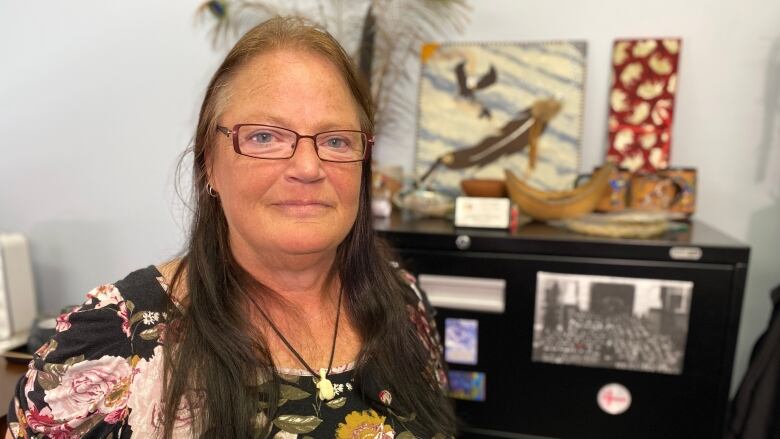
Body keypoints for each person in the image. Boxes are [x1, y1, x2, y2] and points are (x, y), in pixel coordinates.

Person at [7, 16, 455, 438]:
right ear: (209, 166)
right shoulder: (109, 346)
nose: (307, 166)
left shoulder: (402, 302)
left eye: (336, 140)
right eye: (264, 137)